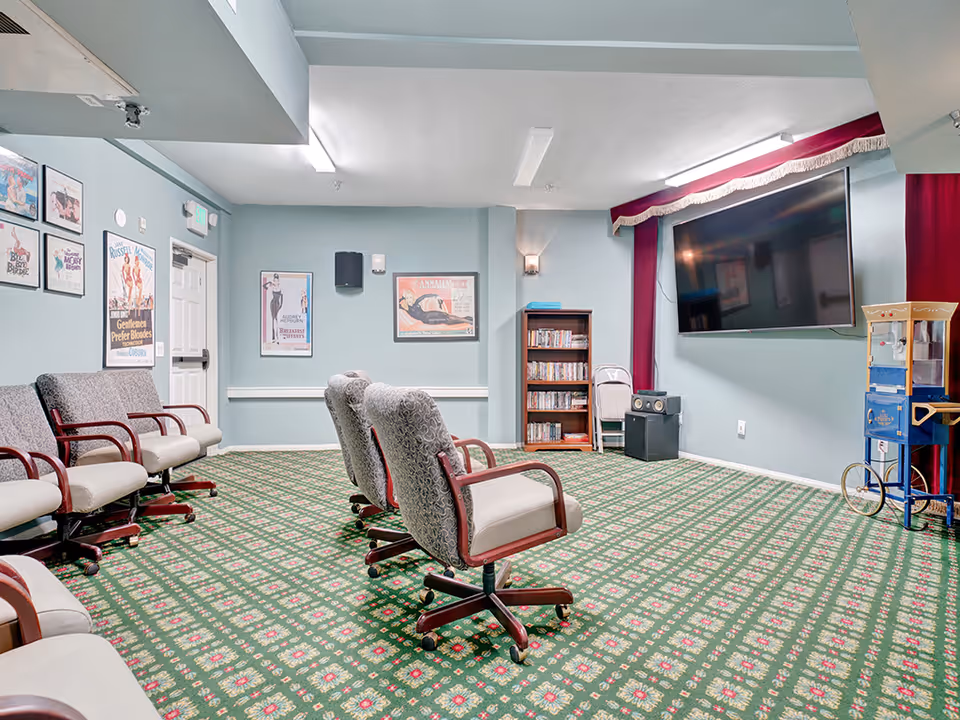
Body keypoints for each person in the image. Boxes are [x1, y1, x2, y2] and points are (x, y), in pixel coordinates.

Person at [398, 289, 473, 326]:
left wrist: (436, 296)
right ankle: (466, 320)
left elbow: (425, 296)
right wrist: (403, 298)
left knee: (446, 316)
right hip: (427, 319)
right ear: (405, 299)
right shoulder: (406, 308)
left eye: (411, 297)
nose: (410, 299)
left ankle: (466, 319)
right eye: (408, 298)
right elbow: (397, 302)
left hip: (429, 314)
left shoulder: (416, 302)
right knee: (446, 320)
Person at [263, 273, 283, 343]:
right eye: (274, 280)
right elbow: (264, 286)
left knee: (277, 321)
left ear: (279, 281)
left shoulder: (280, 288)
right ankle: (273, 338)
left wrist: (280, 306)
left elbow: (282, 299)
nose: (276, 281)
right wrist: (270, 283)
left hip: (278, 304)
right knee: (273, 320)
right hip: (272, 304)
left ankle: (278, 338)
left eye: (277, 280)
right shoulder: (272, 286)